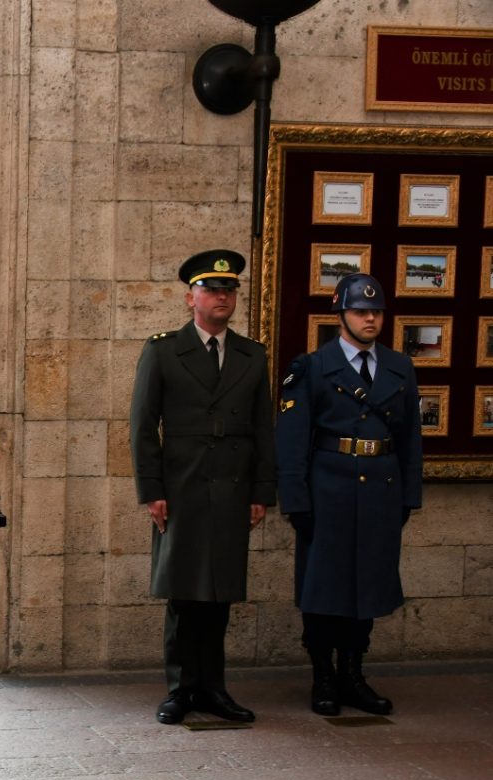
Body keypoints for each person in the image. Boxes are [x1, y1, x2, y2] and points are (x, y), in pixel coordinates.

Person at [130, 249, 276, 725]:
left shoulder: (252, 355)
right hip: (183, 487)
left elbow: (263, 428)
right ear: (190, 297)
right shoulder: (163, 350)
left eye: (229, 289)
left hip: (232, 488)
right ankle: (180, 689)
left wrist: (261, 491)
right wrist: (152, 490)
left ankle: (214, 688)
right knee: (184, 593)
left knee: (220, 594)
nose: (222, 297)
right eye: (211, 289)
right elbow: (142, 427)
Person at [275, 272, 422, 716]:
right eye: (360, 311)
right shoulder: (312, 367)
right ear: (341, 315)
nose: (370, 319)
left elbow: (410, 440)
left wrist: (409, 497)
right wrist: (296, 502)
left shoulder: (399, 367)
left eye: (376, 312)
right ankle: (323, 676)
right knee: (323, 589)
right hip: (328, 493)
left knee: (368, 587)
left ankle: (353, 675)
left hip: (380, 493)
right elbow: (292, 441)